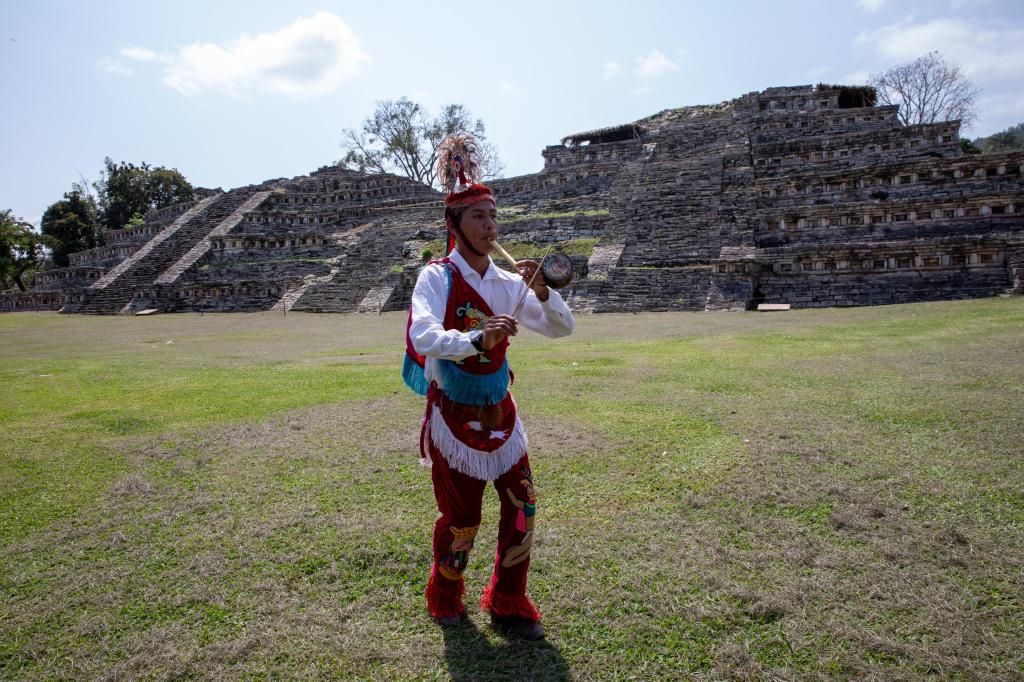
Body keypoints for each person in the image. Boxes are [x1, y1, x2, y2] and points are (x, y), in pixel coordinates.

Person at [402, 133, 574, 640]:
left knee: (523, 504)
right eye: (478, 216)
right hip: (454, 418)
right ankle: (447, 593)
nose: (490, 224)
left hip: (502, 414)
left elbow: (561, 328)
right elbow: (422, 333)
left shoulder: (505, 281)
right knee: (462, 518)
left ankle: (509, 598)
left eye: (493, 215)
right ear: (454, 225)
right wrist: (478, 336)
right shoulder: (435, 277)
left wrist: (542, 292)